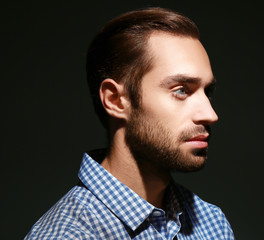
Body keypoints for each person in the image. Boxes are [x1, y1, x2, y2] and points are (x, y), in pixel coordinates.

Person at [25, 7, 235, 239]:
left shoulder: (212, 223)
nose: (210, 114)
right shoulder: (67, 235)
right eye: (182, 91)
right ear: (115, 100)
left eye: (208, 92)